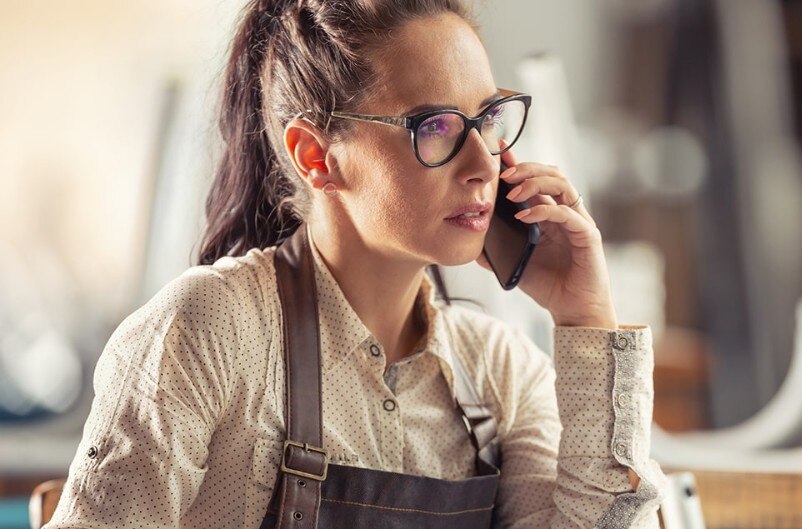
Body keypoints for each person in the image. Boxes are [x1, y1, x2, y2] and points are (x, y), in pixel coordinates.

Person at [46, 0, 666, 527]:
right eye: (438, 126)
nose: (484, 164)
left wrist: (586, 317)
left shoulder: (499, 371)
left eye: (487, 119)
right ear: (316, 156)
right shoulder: (209, 332)